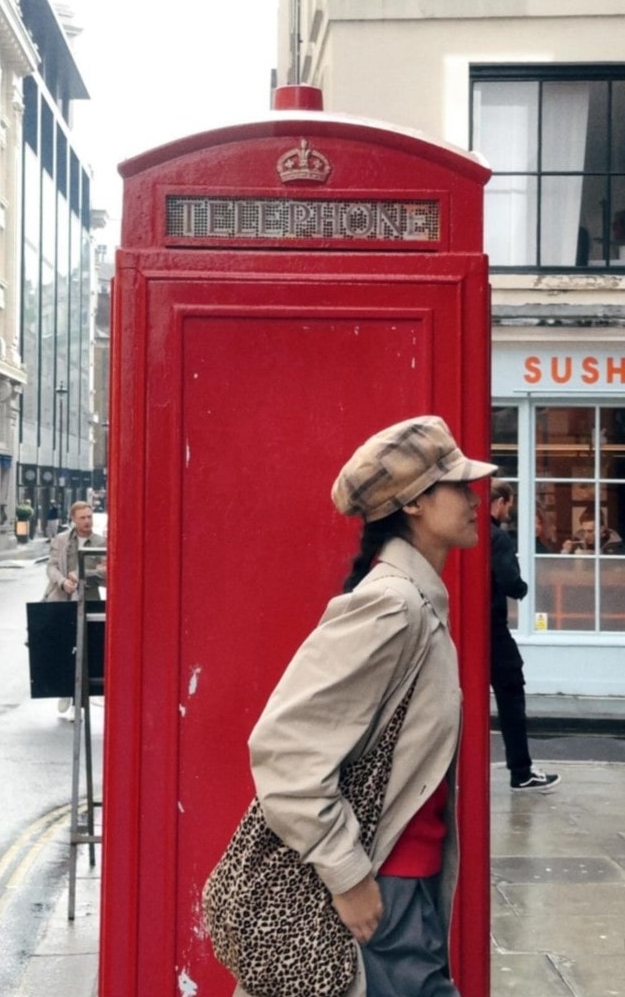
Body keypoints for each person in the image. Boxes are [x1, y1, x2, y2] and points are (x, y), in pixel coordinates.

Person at [238, 415, 496, 997]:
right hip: (387, 890)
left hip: (408, 880)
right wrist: (348, 875)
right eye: (457, 484)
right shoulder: (392, 606)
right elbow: (283, 747)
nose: (475, 496)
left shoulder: (419, 601)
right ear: (415, 505)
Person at [490, 480, 560, 794]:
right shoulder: (499, 538)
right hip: (493, 630)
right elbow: (510, 583)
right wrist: (522, 586)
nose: (509, 510)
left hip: (464, 628)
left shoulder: (467, 535)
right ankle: (521, 771)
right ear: (502, 501)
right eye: (509, 503)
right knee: (511, 697)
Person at [42, 500, 106, 715]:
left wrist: (84, 575)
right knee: (62, 648)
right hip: (62, 599)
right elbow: (51, 566)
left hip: (88, 600)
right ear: (73, 520)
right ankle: (65, 692)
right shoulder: (61, 540)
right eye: (83, 518)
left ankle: (80, 704)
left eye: (90, 516)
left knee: (86, 650)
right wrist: (63, 582)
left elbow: (108, 574)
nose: (88, 521)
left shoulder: (100, 542)